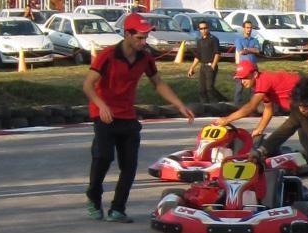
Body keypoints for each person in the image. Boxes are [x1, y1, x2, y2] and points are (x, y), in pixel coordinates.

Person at [82, 12, 195, 221]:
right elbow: (88, 85)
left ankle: (117, 209)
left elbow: (158, 83)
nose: (144, 42)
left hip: (127, 115)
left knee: (129, 164)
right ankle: (93, 197)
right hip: (104, 114)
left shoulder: (145, 58)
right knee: (103, 157)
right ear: (127, 34)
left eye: (146, 37)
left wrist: (179, 105)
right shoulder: (107, 55)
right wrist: (101, 105)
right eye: (140, 38)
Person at [193, 19, 222, 103]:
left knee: (209, 88)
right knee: (202, 89)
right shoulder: (199, 41)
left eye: (205, 28)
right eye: (201, 29)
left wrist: (213, 65)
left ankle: (216, 104)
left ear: (208, 28)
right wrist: (192, 68)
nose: (203, 30)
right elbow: (198, 56)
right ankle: (204, 106)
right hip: (203, 67)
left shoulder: (213, 39)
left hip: (211, 66)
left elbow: (217, 53)